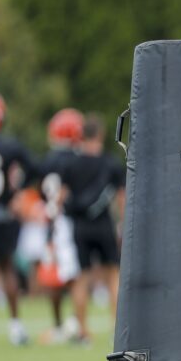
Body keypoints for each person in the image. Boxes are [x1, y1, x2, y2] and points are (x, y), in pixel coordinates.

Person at [59, 113, 125, 342]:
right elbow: (121, 197)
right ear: (101, 135)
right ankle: (116, 328)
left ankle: (83, 331)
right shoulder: (110, 163)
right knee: (113, 276)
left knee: (82, 278)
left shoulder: (71, 164)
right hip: (104, 226)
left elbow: (62, 196)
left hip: (80, 226)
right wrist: (124, 224)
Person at [0, 90, 34, 347]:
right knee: (8, 269)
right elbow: (35, 168)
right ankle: (16, 327)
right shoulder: (8, 146)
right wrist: (15, 191)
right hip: (2, 214)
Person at [37, 108, 85, 342]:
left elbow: (40, 193)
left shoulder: (47, 161)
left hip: (51, 223)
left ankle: (58, 325)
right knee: (75, 276)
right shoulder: (77, 160)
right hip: (69, 221)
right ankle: (78, 325)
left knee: (53, 277)